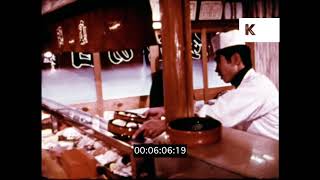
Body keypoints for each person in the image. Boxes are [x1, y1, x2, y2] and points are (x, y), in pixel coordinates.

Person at [133, 30, 279, 141]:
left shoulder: (257, 87)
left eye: (218, 62)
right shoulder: (246, 87)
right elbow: (213, 105)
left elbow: (210, 119)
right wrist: (167, 110)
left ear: (235, 59)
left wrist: (165, 125)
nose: (215, 69)